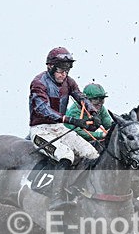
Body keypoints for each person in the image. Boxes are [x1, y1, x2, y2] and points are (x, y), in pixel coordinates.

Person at [29, 47, 101, 209]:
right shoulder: (38, 83)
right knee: (66, 154)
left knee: (92, 154)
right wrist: (71, 120)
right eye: (61, 71)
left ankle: (78, 190)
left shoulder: (69, 82)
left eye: (67, 71)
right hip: (40, 130)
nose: (64, 74)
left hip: (59, 128)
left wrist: (93, 113)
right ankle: (56, 199)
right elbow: (43, 109)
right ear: (50, 67)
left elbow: (81, 97)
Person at [64, 83, 113, 147]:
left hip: (86, 142)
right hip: (69, 139)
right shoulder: (75, 110)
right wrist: (101, 135)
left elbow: (109, 125)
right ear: (86, 100)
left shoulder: (101, 109)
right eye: (95, 99)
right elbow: (78, 132)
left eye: (102, 99)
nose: (99, 103)